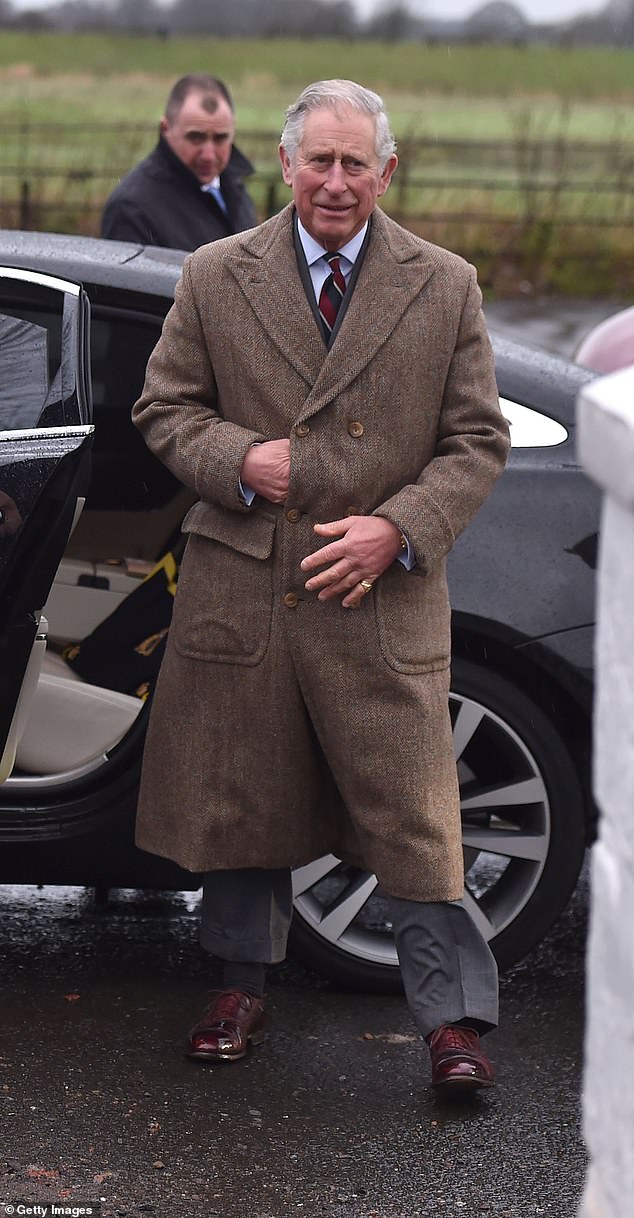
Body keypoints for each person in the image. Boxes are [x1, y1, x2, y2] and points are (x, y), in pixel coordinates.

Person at [131, 79, 511, 1096]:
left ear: (385, 173)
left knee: (414, 821)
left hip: (375, 597)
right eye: (318, 161)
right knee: (241, 800)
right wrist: (240, 460)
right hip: (244, 588)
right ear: (286, 164)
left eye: (356, 165)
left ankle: (449, 1022)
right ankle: (238, 986)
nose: (335, 183)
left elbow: (477, 440)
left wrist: (400, 529)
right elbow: (162, 409)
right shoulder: (216, 274)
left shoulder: (443, 285)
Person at [101, 73, 257, 250]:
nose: (208, 155)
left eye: (220, 138)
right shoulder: (132, 208)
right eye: (195, 137)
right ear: (166, 129)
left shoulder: (233, 184)